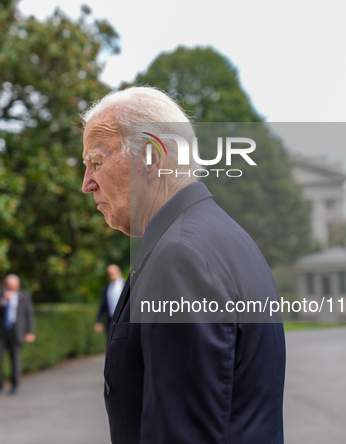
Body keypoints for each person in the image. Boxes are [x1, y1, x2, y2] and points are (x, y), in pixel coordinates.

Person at [81, 86, 286, 443]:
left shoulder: (180, 257)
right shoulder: (220, 235)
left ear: (152, 158)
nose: (87, 183)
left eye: (96, 162)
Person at [0, 274, 35, 395]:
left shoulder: (24, 295)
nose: (12, 288)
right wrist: (4, 300)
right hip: (0, 332)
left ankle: (15, 385)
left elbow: (28, 314)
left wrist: (30, 331)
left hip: (16, 332)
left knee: (15, 359)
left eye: (14, 286)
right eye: (10, 286)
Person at [94, 264, 125, 334]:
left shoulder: (127, 287)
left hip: (124, 322)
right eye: (110, 273)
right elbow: (103, 305)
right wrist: (98, 321)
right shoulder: (107, 288)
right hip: (110, 321)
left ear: (119, 272)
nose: (112, 275)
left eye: (113, 272)